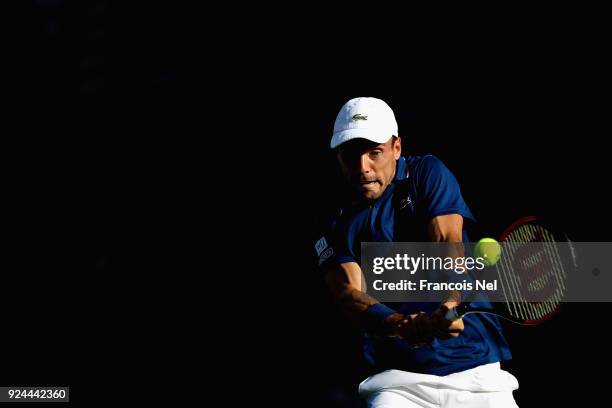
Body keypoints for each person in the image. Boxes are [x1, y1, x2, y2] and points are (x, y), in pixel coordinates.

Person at [316, 97, 519, 407]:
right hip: (398, 383)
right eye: (350, 155)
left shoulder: (427, 172)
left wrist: (451, 301)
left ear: (397, 148)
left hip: (478, 374)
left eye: (375, 153)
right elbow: (347, 294)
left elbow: (446, 241)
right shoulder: (332, 217)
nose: (363, 168)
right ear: (337, 156)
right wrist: (399, 323)